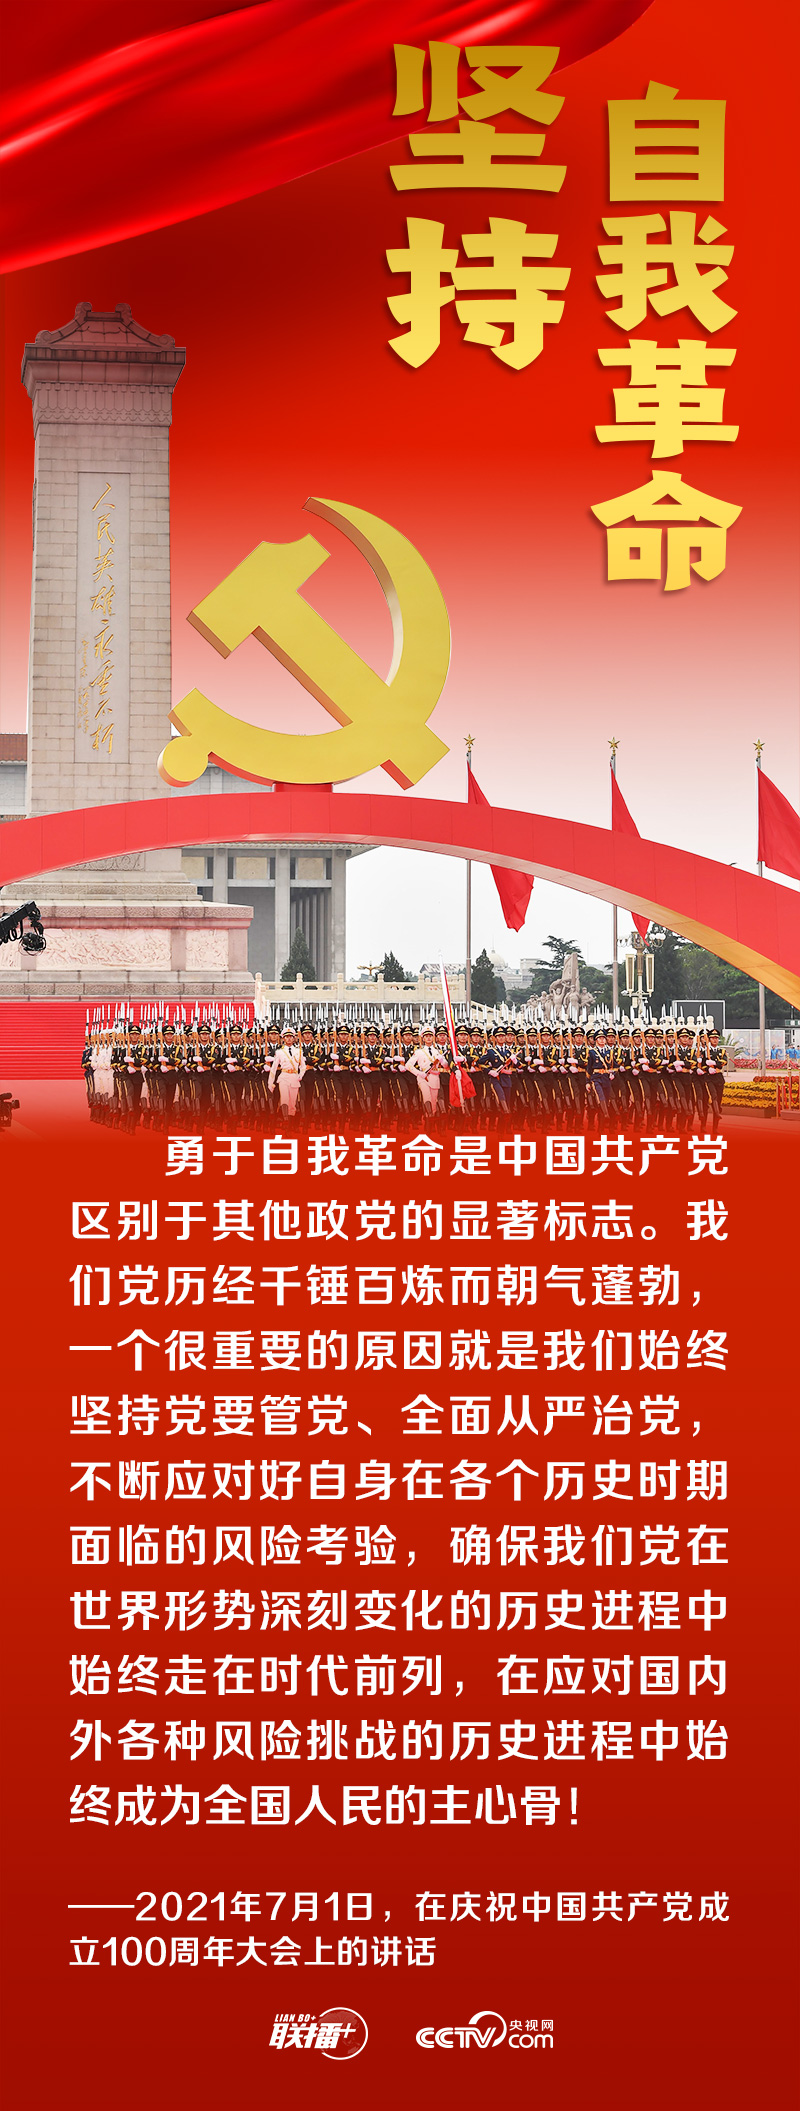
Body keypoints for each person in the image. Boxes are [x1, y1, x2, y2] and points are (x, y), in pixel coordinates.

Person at [268, 1027, 306, 1118]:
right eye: (286, 1036)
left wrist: (301, 1075)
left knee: (292, 1103)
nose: (289, 1038)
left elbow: (303, 1066)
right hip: (284, 1077)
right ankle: (285, 1120)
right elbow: (274, 1068)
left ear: (294, 1038)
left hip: (294, 1077)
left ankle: (290, 1122)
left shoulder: (299, 1051)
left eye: (290, 1036)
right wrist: (270, 1082)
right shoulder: (279, 1052)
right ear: (283, 1038)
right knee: (284, 1099)